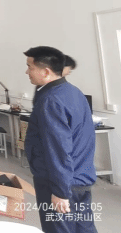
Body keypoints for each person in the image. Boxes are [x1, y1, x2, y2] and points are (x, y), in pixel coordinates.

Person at [24, 46, 97, 233]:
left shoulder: (51, 100)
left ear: (46, 72)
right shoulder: (73, 92)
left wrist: (60, 192)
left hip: (60, 183)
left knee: (59, 228)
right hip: (81, 177)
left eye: (30, 67)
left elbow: (58, 150)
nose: (27, 72)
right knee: (83, 228)